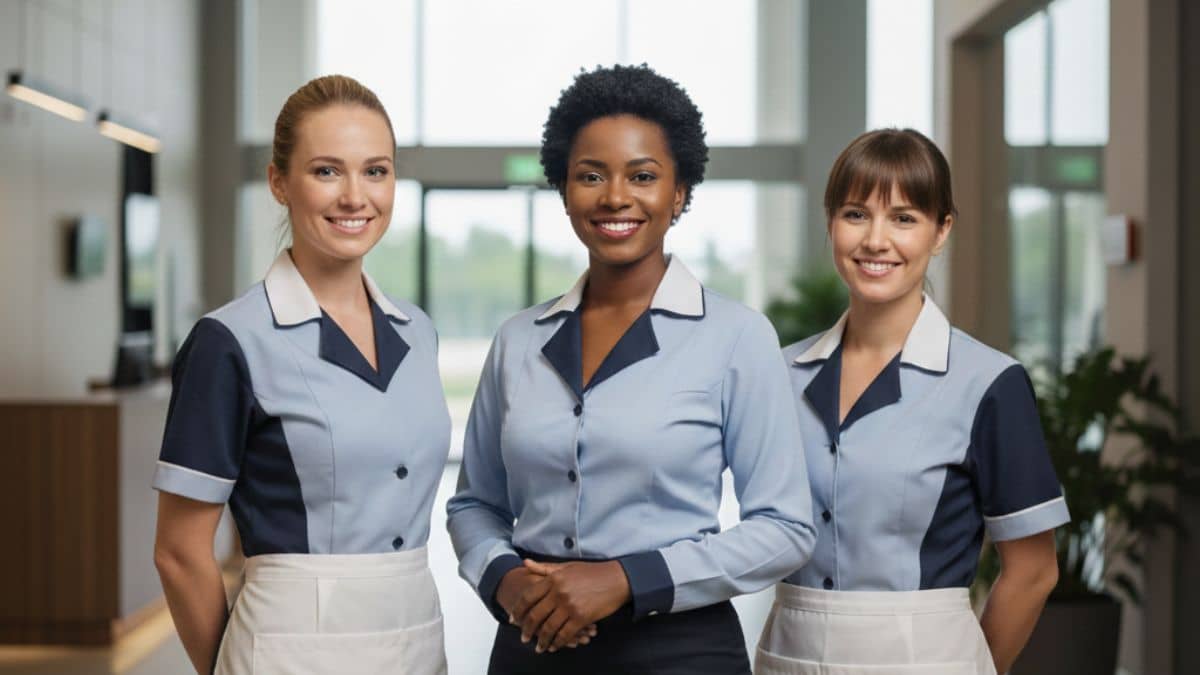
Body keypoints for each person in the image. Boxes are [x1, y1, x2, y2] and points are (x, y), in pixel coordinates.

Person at [447, 64, 816, 675]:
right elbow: (474, 504)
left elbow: (784, 528)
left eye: (642, 176)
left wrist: (626, 578)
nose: (615, 196)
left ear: (679, 192)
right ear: (564, 190)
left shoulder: (736, 337)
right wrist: (503, 580)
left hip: (679, 649)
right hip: (532, 646)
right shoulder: (517, 341)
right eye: (591, 175)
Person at [152, 75, 450, 675]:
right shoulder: (230, 341)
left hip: (417, 635)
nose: (355, 196)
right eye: (326, 171)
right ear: (278, 182)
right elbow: (180, 553)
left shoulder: (417, 332)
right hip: (287, 646)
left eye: (376, 170)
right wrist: (229, 666)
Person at [755, 128, 1069, 675]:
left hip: (926, 655)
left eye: (904, 218)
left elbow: (1033, 571)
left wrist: (967, 666)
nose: (876, 240)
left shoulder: (987, 383)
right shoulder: (776, 374)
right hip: (788, 650)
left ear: (941, 230)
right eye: (856, 214)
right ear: (829, 222)